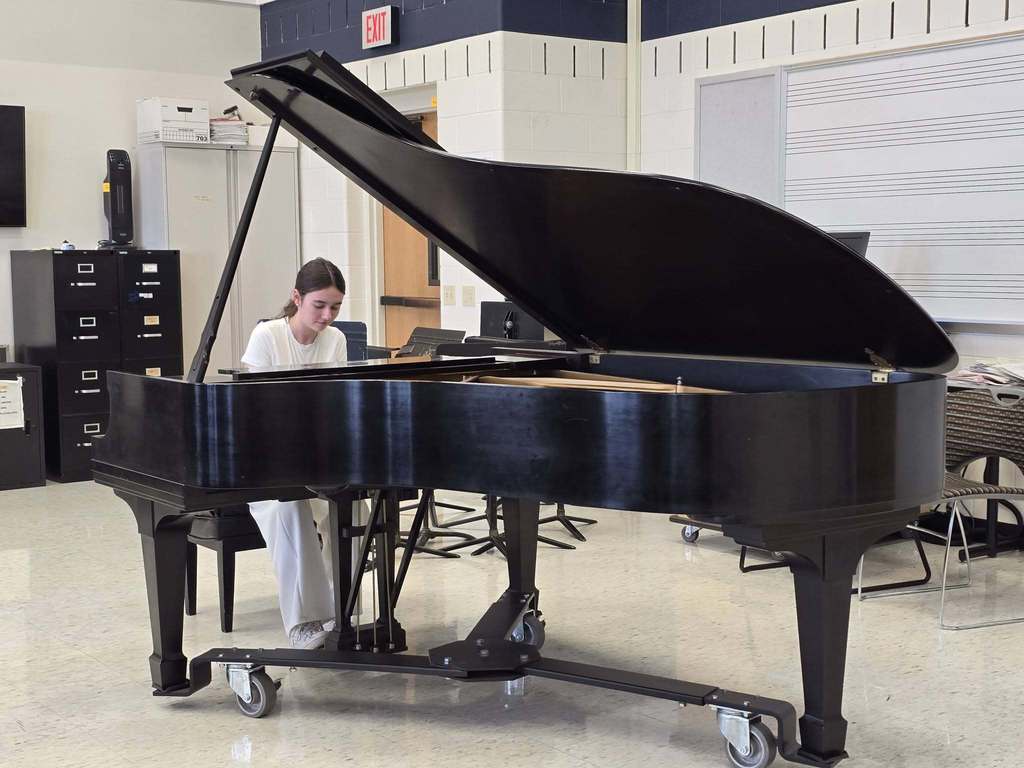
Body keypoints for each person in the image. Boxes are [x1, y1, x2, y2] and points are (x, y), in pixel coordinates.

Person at [240, 257, 349, 649]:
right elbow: (255, 409)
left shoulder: (335, 339)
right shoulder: (267, 336)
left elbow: (336, 402)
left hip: (315, 455)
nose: (327, 315)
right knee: (291, 508)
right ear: (296, 297)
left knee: (354, 507)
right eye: (319, 305)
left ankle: (343, 609)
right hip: (268, 461)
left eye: (335, 307)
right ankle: (304, 622)